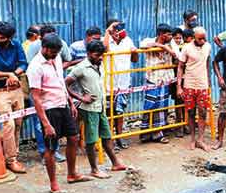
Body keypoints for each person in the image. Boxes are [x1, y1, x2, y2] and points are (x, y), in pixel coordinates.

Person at [28, 34, 90, 193]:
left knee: (73, 138)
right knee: (50, 147)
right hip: (49, 109)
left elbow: (60, 82)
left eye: (57, 53)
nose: (55, 55)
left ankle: (72, 174)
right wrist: (46, 123)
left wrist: (69, 101)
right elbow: (35, 97)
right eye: (53, 52)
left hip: (62, 104)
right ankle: (54, 185)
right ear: (45, 48)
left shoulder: (55, 58)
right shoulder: (35, 66)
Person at [65, 39, 127, 179]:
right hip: (89, 109)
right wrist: (81, 98)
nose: (100, 58)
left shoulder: (99, 65)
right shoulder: (81, 67)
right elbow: (66, 84)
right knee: (91, 140)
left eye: (101, 55)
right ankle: (94, 169)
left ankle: (115, 162)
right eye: (96, 55)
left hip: (100, 107)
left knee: (106, 136)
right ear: (88, 53)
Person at [0, 21, 28, 173]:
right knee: (9, 124)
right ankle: (11, 160)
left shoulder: (16, 45)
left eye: (2, 38)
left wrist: (15, 74)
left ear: (10, 37)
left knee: (18, 123)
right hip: (0, 91)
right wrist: (9, 73)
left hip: (16, 89)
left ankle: (12, 153)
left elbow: (23, 64)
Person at [102, 19, 138, 149]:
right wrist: (108, 32)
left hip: (123, 83)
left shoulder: (127, 40)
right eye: (115, 28)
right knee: (108, 113)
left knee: (120, 111)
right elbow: (104, 49)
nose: (118, 31)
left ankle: (119, 137)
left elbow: (134, 59)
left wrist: (135, 52)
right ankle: (109, 139)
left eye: (119, 28)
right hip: (108, 84)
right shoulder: (104, 40)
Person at [139, 24, 177, 143]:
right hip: (152, 78)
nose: (171, 36)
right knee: (150, 105)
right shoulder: (148, 40)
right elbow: (142, 45)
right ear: (161, 34)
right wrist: (161, 46)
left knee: (161, 106)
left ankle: (158, 133)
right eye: (168, 34)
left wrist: (166, 48)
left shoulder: (172, 44)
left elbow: (176, 54)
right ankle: (145, 132)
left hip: (165, 79)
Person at [177, 26, 212, 151]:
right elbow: (180, 67)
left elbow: (208, 63)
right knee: (191, 113)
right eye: (200, 39)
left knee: (203, 112)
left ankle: (200, 140)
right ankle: (192, 139)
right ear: (194, 37)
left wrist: (209, 80)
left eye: (204, 38)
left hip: (202, 85)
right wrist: (179, 87)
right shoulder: (187, 48)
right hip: (190, 85)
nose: (203, 41)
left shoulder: (208, 46)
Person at [169, 28, 187, 137]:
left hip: (185, 77)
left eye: (180, 38)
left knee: (186, 101)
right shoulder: (171, 47)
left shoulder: (184, 46)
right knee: (178, 100)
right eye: (176, 38)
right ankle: (179, 124)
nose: (178, 40)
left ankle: (185, 124)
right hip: (175, 77)